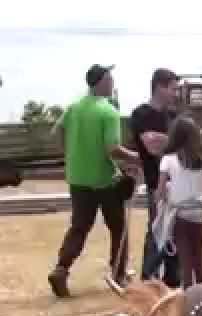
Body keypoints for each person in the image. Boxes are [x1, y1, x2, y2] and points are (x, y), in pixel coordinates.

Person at [47, 64, 141, 298]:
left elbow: (55, 133)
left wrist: (70, 154)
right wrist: (137, 158)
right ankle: (119, 273)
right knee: (118, 227)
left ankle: (61, 269)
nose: (113, 83)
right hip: (104, 180)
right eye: (110, 79)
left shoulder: (74, 107)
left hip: (77, 178)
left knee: (79, 227)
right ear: (100, 82)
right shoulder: (107, 111)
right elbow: (113, 149)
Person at [130, 67, 181, 288]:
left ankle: (172, 278)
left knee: (177, 232)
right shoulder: (141, 114)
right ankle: (148, 279)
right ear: (159, 86)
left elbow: (192, 143)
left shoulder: (175, 115)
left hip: (180, 182)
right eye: (172, 89)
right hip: (157, 184)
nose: (175, 94)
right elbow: (150, 146)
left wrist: (165, 141)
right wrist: (177, 141)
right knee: (158, 230)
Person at [155, 116, 202, 287]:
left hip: (180, 216)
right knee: (198, 261)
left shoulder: (168, 160)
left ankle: (187, 299)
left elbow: (160, 192)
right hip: (199, 216)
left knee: (185, 262)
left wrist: (169, 193)